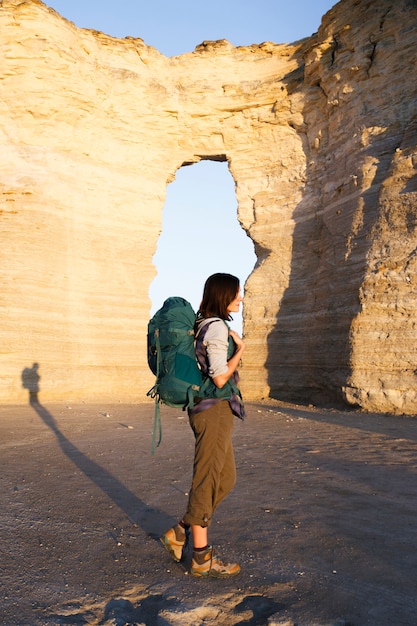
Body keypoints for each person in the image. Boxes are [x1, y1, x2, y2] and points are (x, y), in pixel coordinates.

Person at [160, 273, 246, 578]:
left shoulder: (205, 325)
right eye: (237, 293)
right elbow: (220, 376)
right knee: (207, 479)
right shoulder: (217, 328)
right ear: (223, 296)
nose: (241, 299)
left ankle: (181, 530)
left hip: (213, 410)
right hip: (212, 411)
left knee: (226, 478)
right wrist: (240, 351)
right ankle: (201, 557)